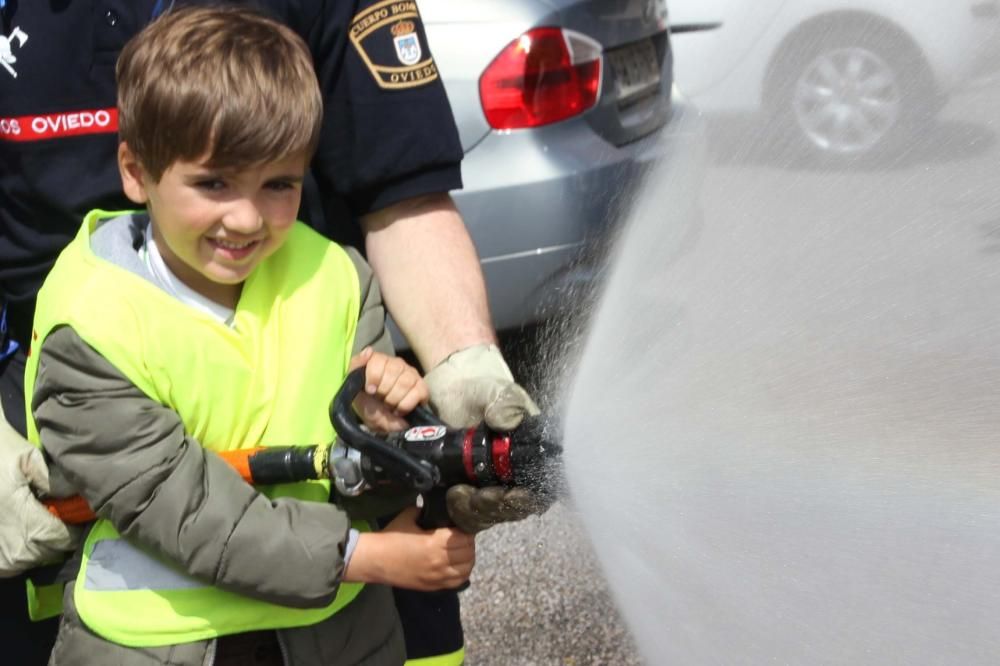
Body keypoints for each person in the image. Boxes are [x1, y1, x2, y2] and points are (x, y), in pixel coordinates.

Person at [0, 0, 545, 664]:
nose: (246, 219)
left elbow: (406, 193)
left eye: (278, 184)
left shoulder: (334, 283)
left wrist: (409, 423)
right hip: (139, 618)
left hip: (342, 629)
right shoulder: (93, 321)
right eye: (213, 183)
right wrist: (368, 556)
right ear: (135, 172)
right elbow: (187, 511)